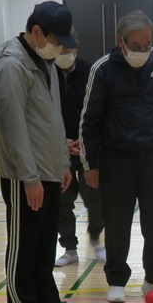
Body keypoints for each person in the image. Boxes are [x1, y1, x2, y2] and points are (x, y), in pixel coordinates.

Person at [0, 2, 79, 303]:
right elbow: (13, 128)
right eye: (56, 40)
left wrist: (63, 162)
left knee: (44, 245)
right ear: (37, 31)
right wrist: (29, 177)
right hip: (23, 175)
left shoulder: (46, 63)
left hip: (49, 170)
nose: (60, 48)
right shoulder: (11, 66)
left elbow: (53, 118)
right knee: (24, 245)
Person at [79, 10, 153, 303]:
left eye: (148, 45)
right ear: (121, 41)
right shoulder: (102, 69)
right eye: (136, 46)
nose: (143, 51)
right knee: (117, 223)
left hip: (150, 157)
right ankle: (116, 280)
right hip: (115, 159)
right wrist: (90, 163)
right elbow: (88, 121)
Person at [53, 28, 105, 267]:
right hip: (58, 146)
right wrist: (60, 141)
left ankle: (96, 238)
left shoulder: (91, 72)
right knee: (62, 200)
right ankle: (69, 248)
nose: (64, 53)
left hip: (88, 147)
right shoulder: (47, 73)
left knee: (95, 198)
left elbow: (99, 111)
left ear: (76, 46)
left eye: (68, 49)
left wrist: (85, 140)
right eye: (60, 49)